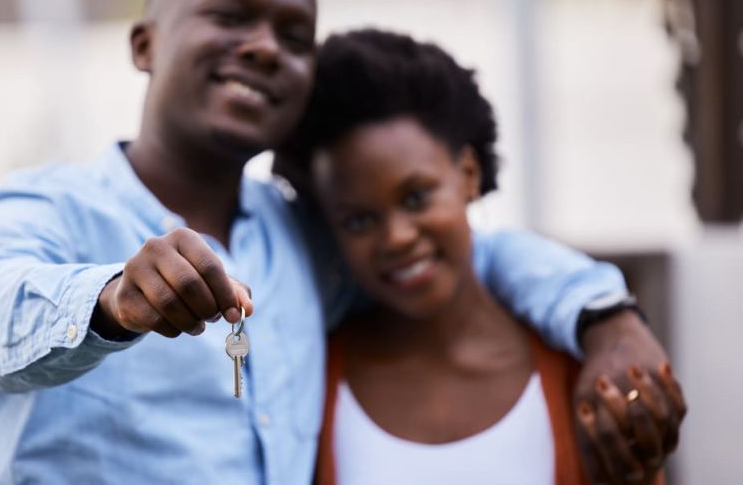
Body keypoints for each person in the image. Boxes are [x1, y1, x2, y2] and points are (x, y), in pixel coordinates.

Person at [0, 0, 683, 483]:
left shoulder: (306, 237)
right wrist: (109, 301)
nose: (263, 47)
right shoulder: (44, 207)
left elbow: (477, 256)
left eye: (294, 37)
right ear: (145, 44)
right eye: (230, 16)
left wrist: (607, 318)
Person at [283, 29, 683, 485]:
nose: (396, 236)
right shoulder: (309, 383)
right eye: (358, 221)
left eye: (416, 198)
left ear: (468, 175)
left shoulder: (581, 373)